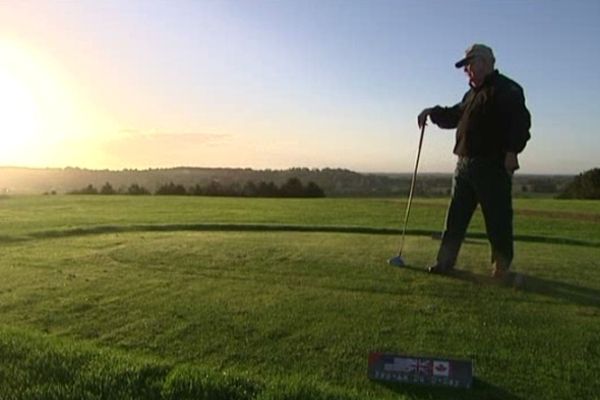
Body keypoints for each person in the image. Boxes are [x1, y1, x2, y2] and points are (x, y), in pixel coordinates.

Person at [417, 44, 531, 279]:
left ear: (485, 62)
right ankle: (445, 262)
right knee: (455, 218)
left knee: (497, 218)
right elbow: (454, 115)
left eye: (469, 64)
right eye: (465, 66)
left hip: (492, 164)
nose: (466, 70)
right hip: (464, 164)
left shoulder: (507, 89)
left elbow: (520, 124)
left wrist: (512, 152)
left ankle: (501, 268)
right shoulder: (471, 94)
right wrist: (432, 111)